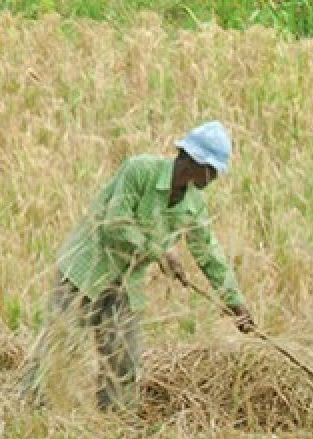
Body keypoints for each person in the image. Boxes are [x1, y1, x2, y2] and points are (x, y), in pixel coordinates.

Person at [21, 121, 255, 411]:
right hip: (87, 271)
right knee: (58, 348)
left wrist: (234, 301)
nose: (215, 177)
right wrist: (159, 252)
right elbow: (114, 225)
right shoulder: (140, 171)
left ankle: (114, 428)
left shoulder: (194, 204)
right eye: (213, 170)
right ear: (194, 162)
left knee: (123, 362)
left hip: (125, 284)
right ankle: (29, 411)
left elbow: (209, 253)